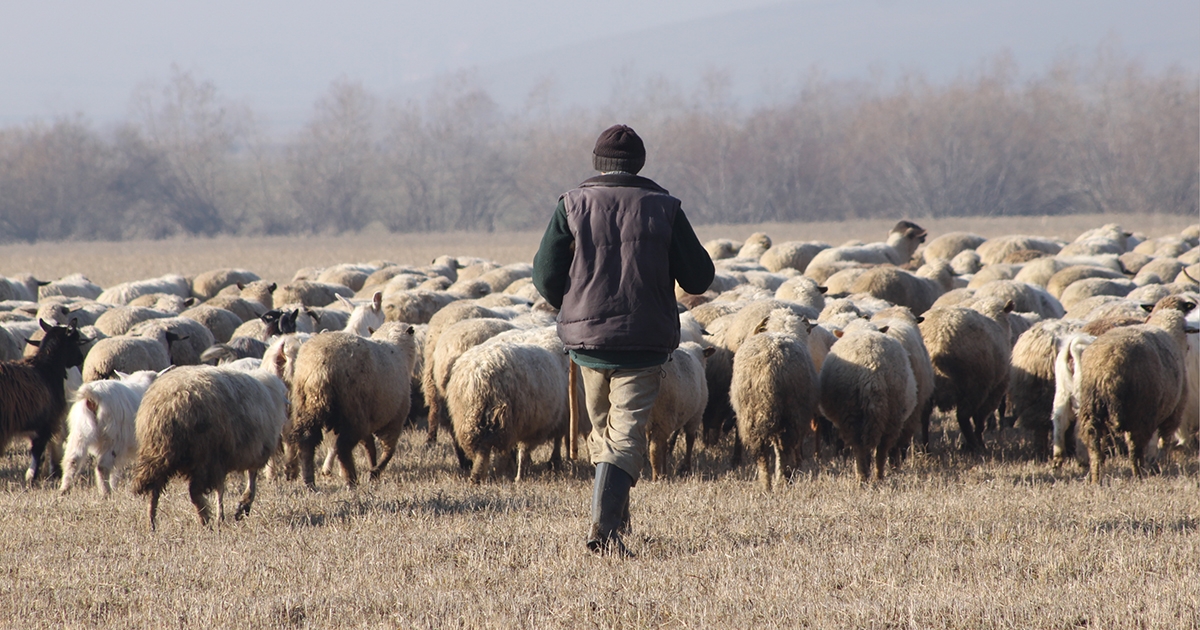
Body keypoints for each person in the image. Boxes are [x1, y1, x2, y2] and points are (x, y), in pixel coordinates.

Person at [532, 124, 715, 556]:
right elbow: (699, 277)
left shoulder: (571, 205)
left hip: (588, 343)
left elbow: (544, 275)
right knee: (625, 436)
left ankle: (616, 520)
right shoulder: (664, 208)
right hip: (643, 339)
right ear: (639, 164)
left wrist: (576, 303)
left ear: (598, 163)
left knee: (607, 434)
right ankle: (605, 531)